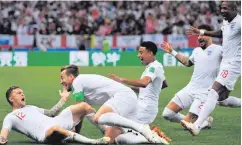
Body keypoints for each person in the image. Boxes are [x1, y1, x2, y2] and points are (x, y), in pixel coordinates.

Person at [60, 65, 166, 144]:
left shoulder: (77, 82)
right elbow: (81, 112)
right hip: (126, 100)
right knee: (112, 140)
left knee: (99, 117)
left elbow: (79, 108)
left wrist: (71, 132)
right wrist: (77, 134)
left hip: (123, 96)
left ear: (70, 77)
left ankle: (141, 128)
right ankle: (149, 135)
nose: (61, 82)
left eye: (62, 77)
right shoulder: (81, 82)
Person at [161, 24, 240, 129]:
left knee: (188, 125)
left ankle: (199, 122)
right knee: (167, 114)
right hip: (190, 89)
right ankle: (203, 121)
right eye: (197, 35)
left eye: (201, 35)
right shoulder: (196, 51)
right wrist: (172, 52)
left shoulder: (220, 50)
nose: (199, 37)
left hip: (205, 93)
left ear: (209, 35)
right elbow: (187, 62)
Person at [181, 1, 241, 136]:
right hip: (226, 63)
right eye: (221, 8)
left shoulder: (239, 22)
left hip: (234, 63)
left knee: (213, 92)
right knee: (221, 99)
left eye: (225, 8)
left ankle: (197, 125)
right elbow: (220, 33)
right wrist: (201, 31)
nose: (222, 10)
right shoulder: (226, 22)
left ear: (234, 9)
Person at [108, 41, 171, 144]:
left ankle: (150, 135)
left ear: (150, 53)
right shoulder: (155, 66)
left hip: (145, 110)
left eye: (141, 52)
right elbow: (163, 84)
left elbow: (144, 83)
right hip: (141, 107)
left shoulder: (154, 67)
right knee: (114, 127)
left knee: (118, 138)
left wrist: (122, 80)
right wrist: (125, 87)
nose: (138, 55)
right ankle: (147, 132)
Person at [0, 86, 110, 144]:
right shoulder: (11, 117)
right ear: (11, 99)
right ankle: (93, 142)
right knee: (55, 129)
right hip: (45, 134)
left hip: (56, 121)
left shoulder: (31, 107)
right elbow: (4, 132)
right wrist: (3, 139)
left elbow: (51, 113)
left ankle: (107, 132)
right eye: (18, 93)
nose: (22, 94)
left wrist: (63, 99)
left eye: (22, 92)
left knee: (83, 106)